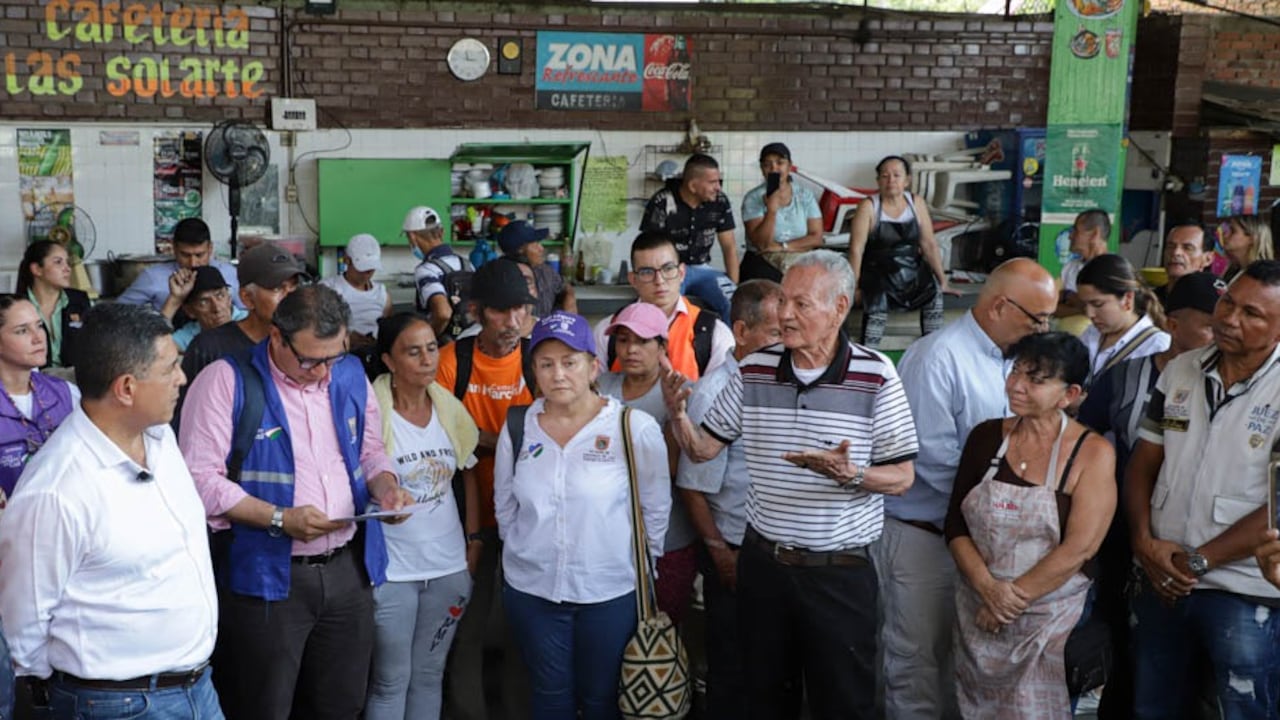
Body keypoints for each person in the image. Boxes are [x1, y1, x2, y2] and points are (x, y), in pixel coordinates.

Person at [665, 250, 918, 720]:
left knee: (843, 702)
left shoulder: (876, 373)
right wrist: (679, 415)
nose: (785, 314)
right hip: (764, 568)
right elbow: (703, 450)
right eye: (783, 300)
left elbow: (902, 476)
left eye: (802, 304)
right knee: (762, 699)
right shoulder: (754, 368)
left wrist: (853, 475)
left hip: (838, 574)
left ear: (840, 308)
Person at [179, 284, 414, 720]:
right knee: (264, 703)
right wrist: (278, 519)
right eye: (310, 360)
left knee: (342, 703)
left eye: (333, 356)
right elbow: (198, 479)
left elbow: (370, 452)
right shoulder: (226, 382)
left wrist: (386, 487)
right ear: (276, 338)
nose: (323, 373)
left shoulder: (348, 376)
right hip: (267, 577)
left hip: (348, 571)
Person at [0, 302, 222, 719]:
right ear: (126, 388)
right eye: (170, 368)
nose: (182, 378)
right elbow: (23, 625)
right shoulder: (58, 490)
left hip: (197, 688)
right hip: (115, 705)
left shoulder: (161, 439)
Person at [876, 257, 1058, 720]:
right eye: (1037, 318)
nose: (1044, 328)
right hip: (926, 536)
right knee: (915, 662)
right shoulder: (939, 357)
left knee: (965, 664)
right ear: (999, 306)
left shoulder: (1015, 361)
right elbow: (931, 462)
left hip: (985, 546)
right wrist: (1004, 509)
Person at [495, 311, 672, 719]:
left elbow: (654, 510)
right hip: (533, 590)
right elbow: (505, 503)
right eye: (546, 364)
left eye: (570, 362)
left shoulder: (633, 427)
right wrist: (524, 553)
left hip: (608, 592)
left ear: (594, 367)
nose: (558, 374)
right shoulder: (520, 426)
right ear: (534, 372)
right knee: (549, 697)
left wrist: (640, 569)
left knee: (601, 700)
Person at [1126, 260, 1280, 720]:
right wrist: (1143, 544)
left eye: (1253, 314)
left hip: (1244, 590)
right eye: (1228, 302)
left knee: (1244, 710)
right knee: (1153, 707)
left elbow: (1278, 504)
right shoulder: (1181, 371)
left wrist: (1197, 563)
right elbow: (1143, 464)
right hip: (1162, 576)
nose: (1230, 319)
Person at [946, 331, 1116, 719]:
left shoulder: (1092, 452)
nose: (1016, 386)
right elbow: (955, 524)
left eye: (1035, 379)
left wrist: (1009, 600)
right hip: (978, 606)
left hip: (1050, 617)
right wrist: (989, 590)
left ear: (1069, 394)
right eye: (1016, 372)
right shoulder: (987, 437)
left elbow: (1081, 548)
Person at [1077, 270, 1223, 717]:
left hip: (1204, 551)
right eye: (1213, 325)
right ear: (1174, 326)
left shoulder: (1234, 381)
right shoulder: (1125, 379)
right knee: (1126, 651)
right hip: (1124, 541)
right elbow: (1084, 445)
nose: (1226, 332)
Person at [675, 278, 784, 720]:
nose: (786, 340)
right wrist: (720, 554)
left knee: (770, 669)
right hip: (734, 552)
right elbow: (692, 485)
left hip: (776, 551)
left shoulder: (782, 381)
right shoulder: (716, 392)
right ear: (741, 332)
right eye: (775, 332)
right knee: (732, 666)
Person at [365, 313, 481, 720]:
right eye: (413, 352)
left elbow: (466, 474)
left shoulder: (448, 409)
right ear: (389, 361)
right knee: (390, 680)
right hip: (395, 570)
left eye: (431, 348)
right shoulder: (372, 415)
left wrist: (473, 542)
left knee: (429, 674)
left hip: (449, 567)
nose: (427, 359)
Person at [435, 258, 537, 720]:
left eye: (521, 310)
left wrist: (482, 437)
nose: (513, 322)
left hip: (529, 521)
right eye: (501, 311)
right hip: (465, 520)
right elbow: (440, 440)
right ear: (477, 311)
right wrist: (508, 439)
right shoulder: (450, 362)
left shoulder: (541, 360)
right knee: (465, 628)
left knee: (526, 627)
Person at [597, 302, 696, 623]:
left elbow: (669, 468)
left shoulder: (679, 394)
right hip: (606, 538)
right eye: (623, 340)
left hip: (667, 539)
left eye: (642, 341)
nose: (630, 349)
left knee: (660, 634)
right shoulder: (601, 388)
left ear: (662, 346)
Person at [592, 232, 734, 383]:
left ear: (681, 273)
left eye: (668, 269)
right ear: (633, 279)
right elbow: (593, 393)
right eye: (647, 272)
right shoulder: (608, 331)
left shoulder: (713, 333)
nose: (659, 280)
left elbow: (720, 399)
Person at [847, 155, 955, 349]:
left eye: (897, 175)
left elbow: (929, 244)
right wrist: (853, 287)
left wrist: (943, 280)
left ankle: (933, 350)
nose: (891, 181)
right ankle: (868, 353)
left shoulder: (916, 203)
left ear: (907, 180)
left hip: (911, 269)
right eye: (885, 176)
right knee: (876, 301)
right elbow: (856, 249)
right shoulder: (868, 206)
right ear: (878, 181)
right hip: (878, 271)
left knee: (933, 292)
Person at [181, 240, 308, 386]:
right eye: (277, 289)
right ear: (247, 298)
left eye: (294, 287)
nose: (290, 297)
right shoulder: (208, 349)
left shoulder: (307, 344)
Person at [641, 153, 738, 319]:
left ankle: (730, 345)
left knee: (734, 303)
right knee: (664, 307)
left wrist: (734, 285)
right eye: (713, 182)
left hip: (704, 270)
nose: (718, 188)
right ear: (693, 186)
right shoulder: (662, 201)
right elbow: (649, 248)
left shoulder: (720, 201)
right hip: (669, 270)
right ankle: (663, 345)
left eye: (718, 181)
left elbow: (729, 247)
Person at [1075, 253, 1170, 385]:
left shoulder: (1157, 346)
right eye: (1084, 304)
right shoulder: (1090, 334)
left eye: (1097, 304)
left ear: (1127, 299)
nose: (1089, 314)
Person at [117, 217, 242, 313]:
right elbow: (117, 313)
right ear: (174, 249)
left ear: (210, 248)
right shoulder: (153, 277)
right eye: (185, 255)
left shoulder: (229, 274)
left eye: (199, 255)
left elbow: (245, 313)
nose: (193, 263)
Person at [740, 143, 824, 283]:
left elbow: (816, 237)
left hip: (796, 257)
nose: (774, 168)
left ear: (789, 167)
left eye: (780, 163)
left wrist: (782, 247)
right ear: (762, 169)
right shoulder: (753, 198)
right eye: (767, 164)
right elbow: (762, 245)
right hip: (762, 260)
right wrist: (771, 210)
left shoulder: (804, 195)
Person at [16, 240, 90, 370]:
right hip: (32, 380)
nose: (67, 268)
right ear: (37, 269)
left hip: (74, 380)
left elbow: (92, 346)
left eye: (68, 262)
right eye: (58, 262)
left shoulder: (78, 301)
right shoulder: (17, 307)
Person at [405, 206, 473, 340]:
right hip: (471, 341)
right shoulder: (467, 264)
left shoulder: (426, 270)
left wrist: (429, 340)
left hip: (447, 347)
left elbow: (443, 313)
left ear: (412, 237)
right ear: (441, 232)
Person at [322, 233, 393, 349]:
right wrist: (345, 337)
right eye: (363, 267)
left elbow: (388, 331)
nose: (368, 272)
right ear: (347, 260)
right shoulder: (329, 289)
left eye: (371, 267)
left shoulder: (382, 294)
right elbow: (318, 329)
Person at [497, 220, 577, 317]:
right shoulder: (501, 277)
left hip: (548, 329)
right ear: (520, 250)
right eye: (535, 244)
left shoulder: (544, 270)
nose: (541, 248)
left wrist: (570, 300)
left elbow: (565, 287)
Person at [171, 266, 248, 352]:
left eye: (220, 296)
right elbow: (157, 348)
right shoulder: (191, 333)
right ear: (189, 311)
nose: (217, 308)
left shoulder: (250, 320)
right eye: (204, 302)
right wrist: (174, 299)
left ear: (229, 297)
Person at [1056, 209, 1111, 317]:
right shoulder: (1070, 267)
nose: (1070, 236)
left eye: (1075, 230)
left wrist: (1067, 297)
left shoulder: (1113, 269)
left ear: (1095, 234)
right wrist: (1071, 297)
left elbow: (1105, 313)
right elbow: (1051, 306)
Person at [1154, 223, 1214, 307]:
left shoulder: (1212, 304)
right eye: (1171, 246)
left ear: (1208, 259)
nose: (1175, 253)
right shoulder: (1150, 300)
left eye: (1188, 248)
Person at [1221, 214, 1275, 283]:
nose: (1225, 234)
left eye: (1233, 231)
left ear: (1252, 239)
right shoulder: (1232, 270)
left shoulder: (1263, 276)